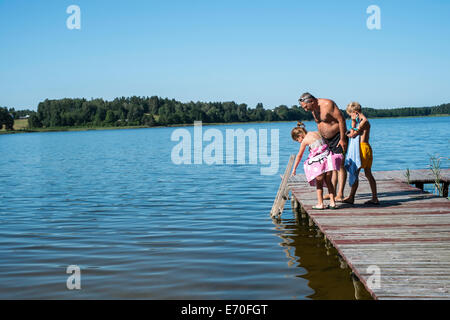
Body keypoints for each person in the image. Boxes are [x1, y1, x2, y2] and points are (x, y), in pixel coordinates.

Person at [298, 92, 348, 201]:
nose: (305, 110)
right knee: (331, 166)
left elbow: (341, 120)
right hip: (325, 140)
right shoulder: (313, 110)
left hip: (337, 137)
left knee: (340, 165)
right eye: (303, 108)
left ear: (311, 101)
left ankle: (340, 194)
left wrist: (343, 138)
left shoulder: (328, 104)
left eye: (306, 107)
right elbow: (320, 124)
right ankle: (332, 193)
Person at [291, 122, 343, 209]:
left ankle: (320, 204)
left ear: (300, 136)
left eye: (297, 140)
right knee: (329, 182)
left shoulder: (305, 141)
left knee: (319, 183)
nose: (298, 142)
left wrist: (294, 169)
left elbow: (299, 156)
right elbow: (322, 144)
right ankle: (332, 203)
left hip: (319, 164)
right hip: (328, 160)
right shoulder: (316, 133)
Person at [343, 102, 379, 205]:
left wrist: (350, 128)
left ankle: (351, 197)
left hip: (362, 149)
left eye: (351, 115)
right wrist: (353, 123)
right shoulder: (362, 121)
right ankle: (374, 198)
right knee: (368, 173)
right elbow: (354, 131)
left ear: (355, 112)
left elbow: (353, 135)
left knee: (355, 173)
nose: (351, 117)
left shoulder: (364, 122)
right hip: (366, 148)